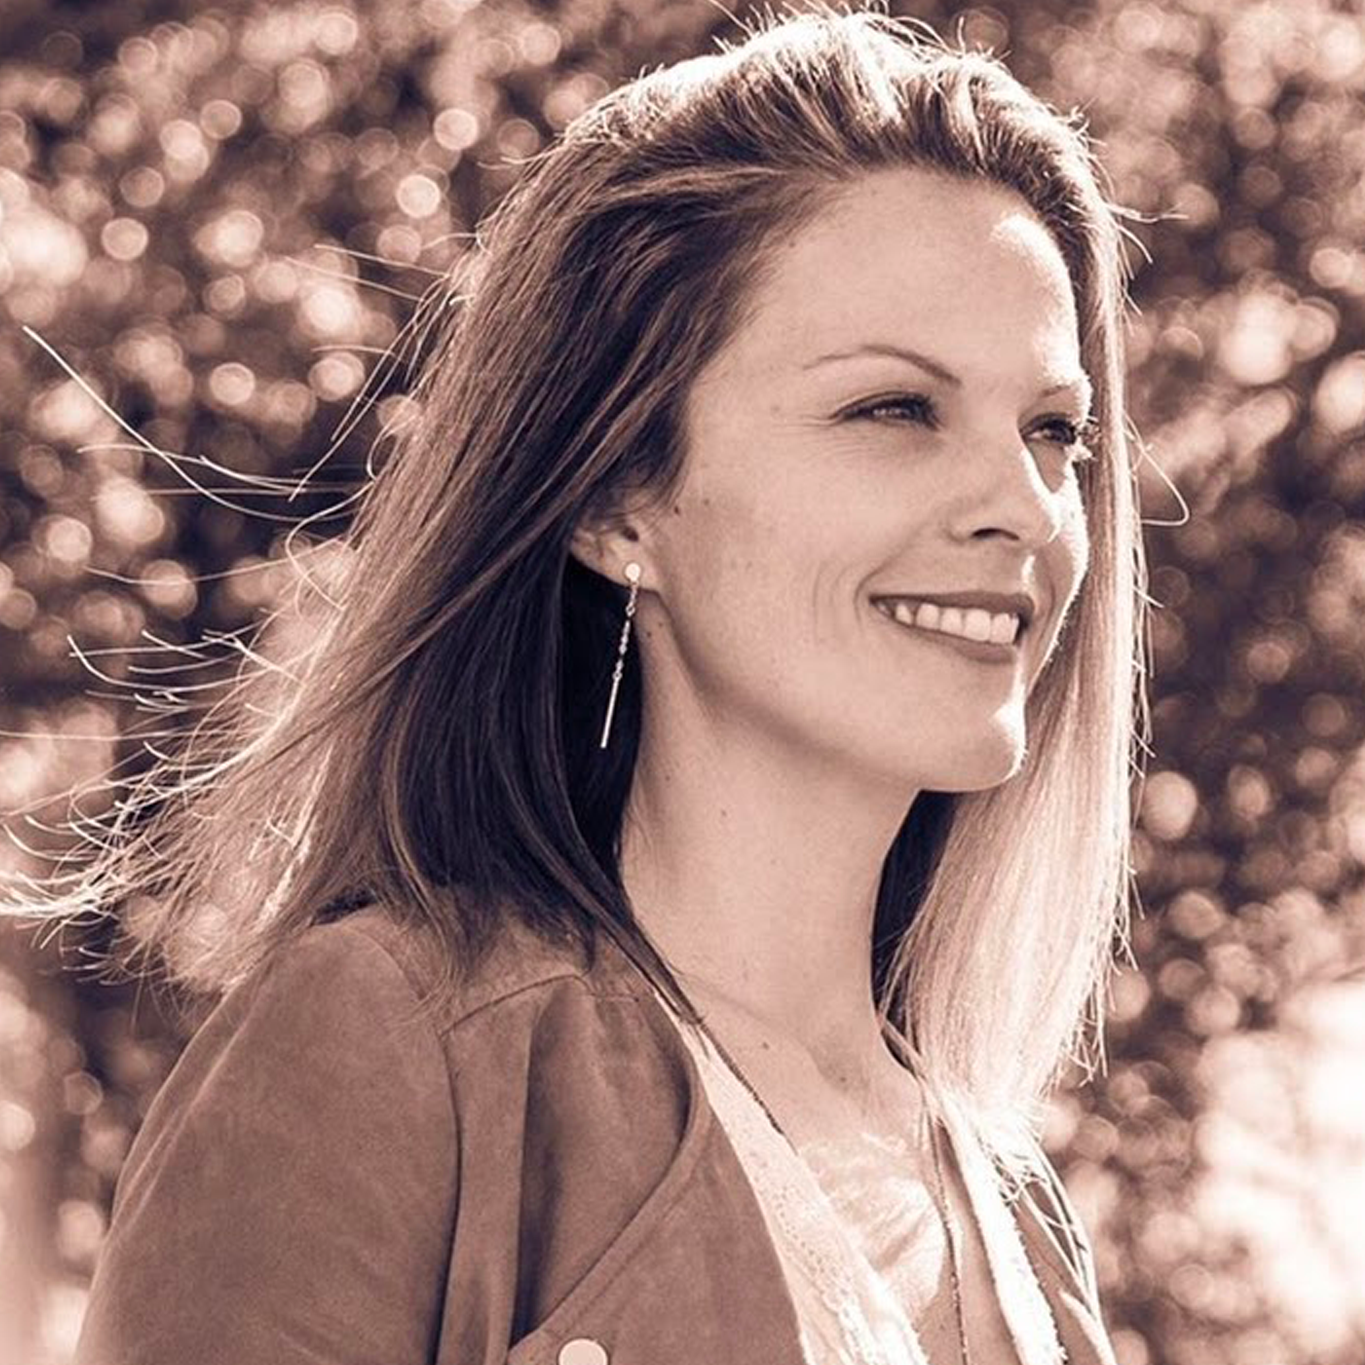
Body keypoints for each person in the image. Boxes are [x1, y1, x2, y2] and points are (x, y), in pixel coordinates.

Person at [54, 9, 1146, 1364]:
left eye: (1054, 432)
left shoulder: (1022, 1214)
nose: (1027, 507)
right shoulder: (387, 1047)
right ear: (619, 500)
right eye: (893, 410)